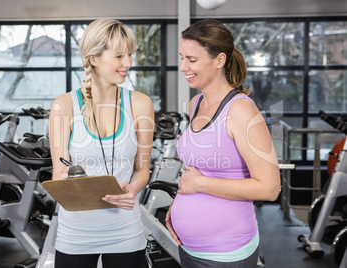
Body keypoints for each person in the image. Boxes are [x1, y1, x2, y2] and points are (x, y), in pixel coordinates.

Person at [165, 19, 281, 268]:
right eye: (182, 57)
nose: (183, 66)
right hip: (189, 247)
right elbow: (195, 169)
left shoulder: (240, 109)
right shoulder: (196, 103)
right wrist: (178, 204)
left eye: (192, 60)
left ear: (219, 60)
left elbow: (270, 188)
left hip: (226, 253)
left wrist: (200, 184)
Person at [48, 19, 154, 268]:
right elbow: (58, 171)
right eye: (119, 55)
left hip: (125, 232)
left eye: (129, 54)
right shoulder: (64, 106)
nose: (127, 63)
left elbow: (142, 170)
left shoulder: (140, 104)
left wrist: (133, 189)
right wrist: (68, 180)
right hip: (75, 234)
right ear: (93, 58)